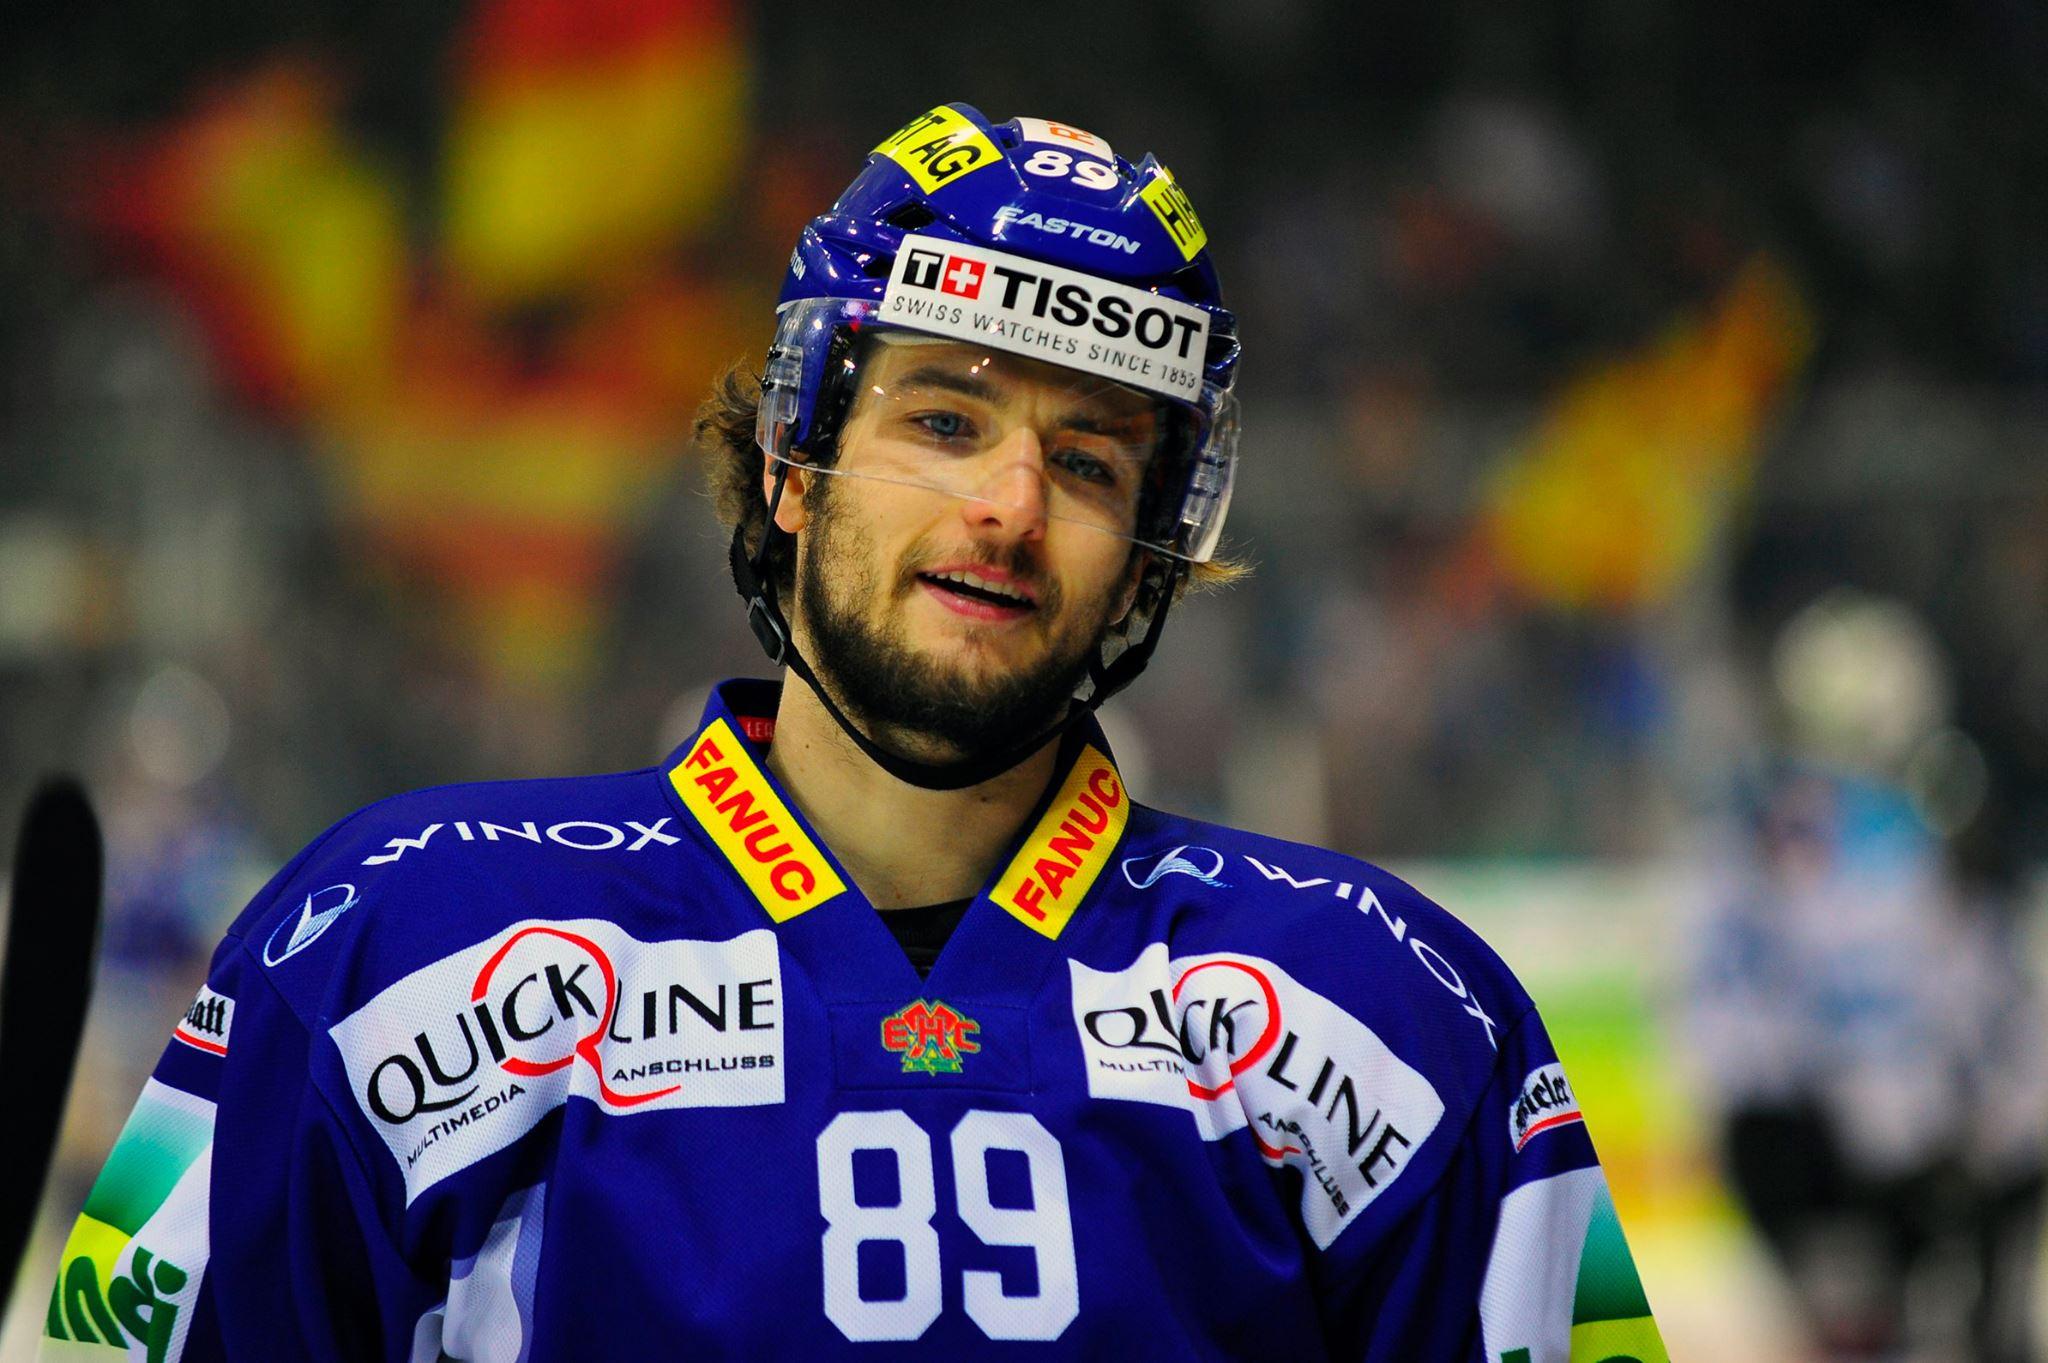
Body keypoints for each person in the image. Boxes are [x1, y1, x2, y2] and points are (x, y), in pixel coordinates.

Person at [41, 103, 1666, 1361]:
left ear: (1150, 554)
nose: (1009, 506)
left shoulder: (1393, 1017)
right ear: (792, 457)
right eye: (944, 419)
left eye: (1090, 461)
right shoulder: (382, 951)